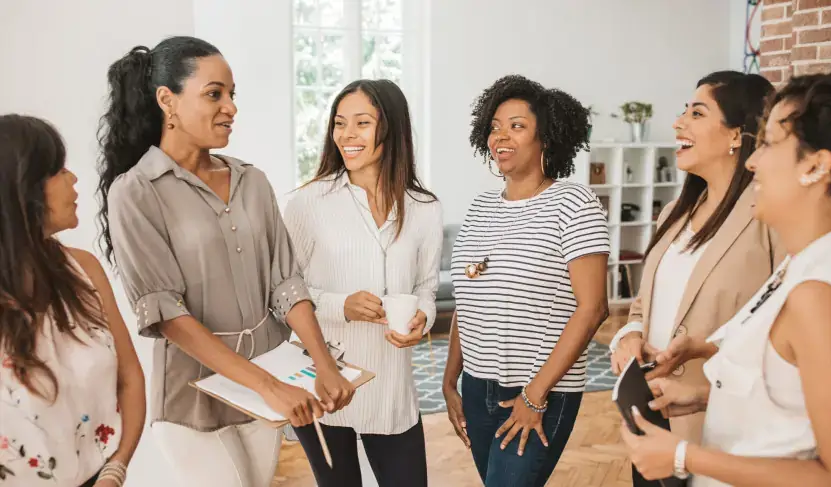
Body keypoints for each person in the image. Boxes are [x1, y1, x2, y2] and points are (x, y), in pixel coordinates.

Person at [96, 36, 354, 487]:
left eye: (232, 94)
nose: (230, 107)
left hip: (268, 383)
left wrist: (323, 363)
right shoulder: (135, 192)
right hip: (193, 399)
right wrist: (268, 386)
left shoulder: (251, 181)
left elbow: (286, 282)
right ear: (167, 101)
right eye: (214, 94)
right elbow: (168, 314)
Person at [622, 71, 831, 487]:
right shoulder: (802, 264)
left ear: (816, 166)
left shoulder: (819, 290)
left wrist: (685, 456)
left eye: (769, 144)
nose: (752, 160)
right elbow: (788, 400)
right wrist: (701, 389)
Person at [605, 71, 780, 486]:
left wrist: (704, 349)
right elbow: (643, 305)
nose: (678, 122)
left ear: (736, 134)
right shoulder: (673, 214)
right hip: (650, 416)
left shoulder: (770, 217)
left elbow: (779, 326)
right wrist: (628, 336)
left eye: (697, 113)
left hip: (720, 426)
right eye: (684, 111)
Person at [442, 75, 610, 487]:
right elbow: (468, 299)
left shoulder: (574, 203)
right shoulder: (481, 208)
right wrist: (450, 380)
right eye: (495, 126)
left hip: (540, 390)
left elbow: (593, 309)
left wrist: (535, 396)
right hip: (477, 387)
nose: (501, 136)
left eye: (516, 126)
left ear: (546, 137)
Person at [283, 79, 441, 487]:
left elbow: (426, 286)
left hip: (391, 386)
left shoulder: (425, 208)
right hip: (323, 379)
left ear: (391, 128)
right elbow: (282, 291)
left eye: (362, 123)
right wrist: (341, 305)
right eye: (339, 123)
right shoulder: (308, 203)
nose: (346, 135)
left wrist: (424, 316)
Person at [0, 114, 145, 487]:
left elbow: (130, 378)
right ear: (22, 188)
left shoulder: (84, 270)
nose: (73, 179)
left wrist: (115, 470)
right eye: (58, 170)